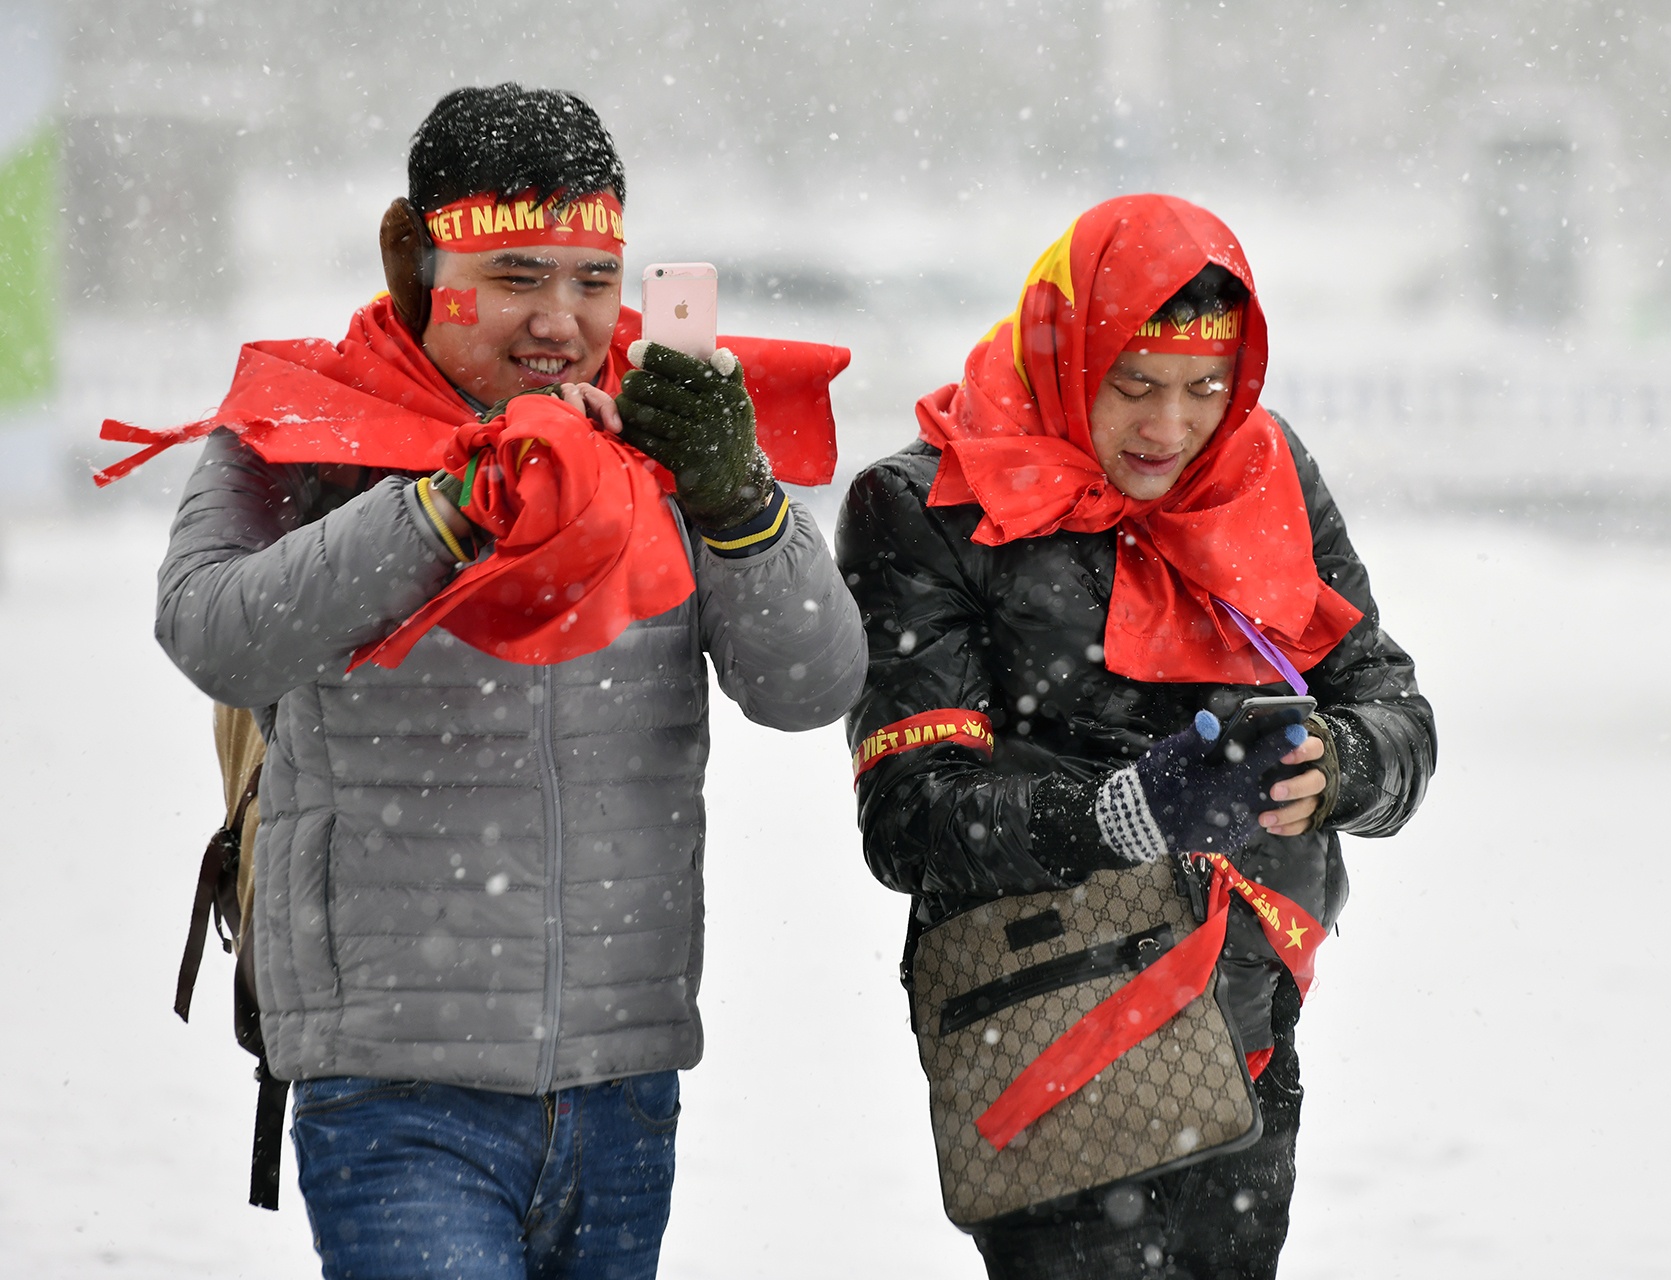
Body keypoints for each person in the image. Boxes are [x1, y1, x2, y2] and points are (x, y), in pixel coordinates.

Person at [147, 84, 866, 1279]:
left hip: (620, 1078)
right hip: (391, 1078)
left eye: (594, 279)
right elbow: (212, 630)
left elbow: (810, 681)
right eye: (518, 276)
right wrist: (441, 502)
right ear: (419, 265)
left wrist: (740, 500)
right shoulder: (308, 427)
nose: (561, 321)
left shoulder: (666, 435)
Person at [837, 194, 1436, 1279]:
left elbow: (1393, 711)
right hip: (1044, 1019)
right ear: (1068, 353)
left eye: (1207, 389)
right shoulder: (928, 503)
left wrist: (1335, 765)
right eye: (1135, 385)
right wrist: (1123, 811)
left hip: (1244, 1014)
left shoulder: (1263, 471)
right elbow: (908, 816)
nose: (1170, 428)